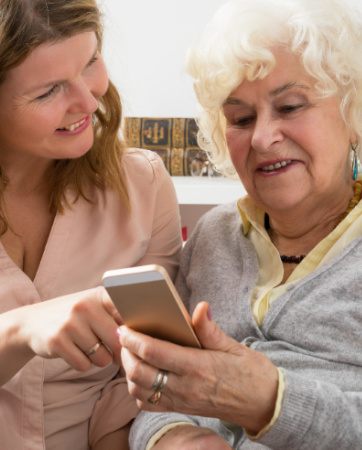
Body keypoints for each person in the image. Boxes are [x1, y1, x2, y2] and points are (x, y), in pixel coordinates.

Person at [118, 0, 362, 448]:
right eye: (240, 119)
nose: (262, 137)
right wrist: (176, 437)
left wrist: (271, 402)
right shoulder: (213, 235)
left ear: (352, 113)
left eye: (289, 107)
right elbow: (165, 393)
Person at [0, 0, 182, 449]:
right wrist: (20, 331)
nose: (88, 100)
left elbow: (133, 384)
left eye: (91, 62)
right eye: (48, 92)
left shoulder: (143, 187)